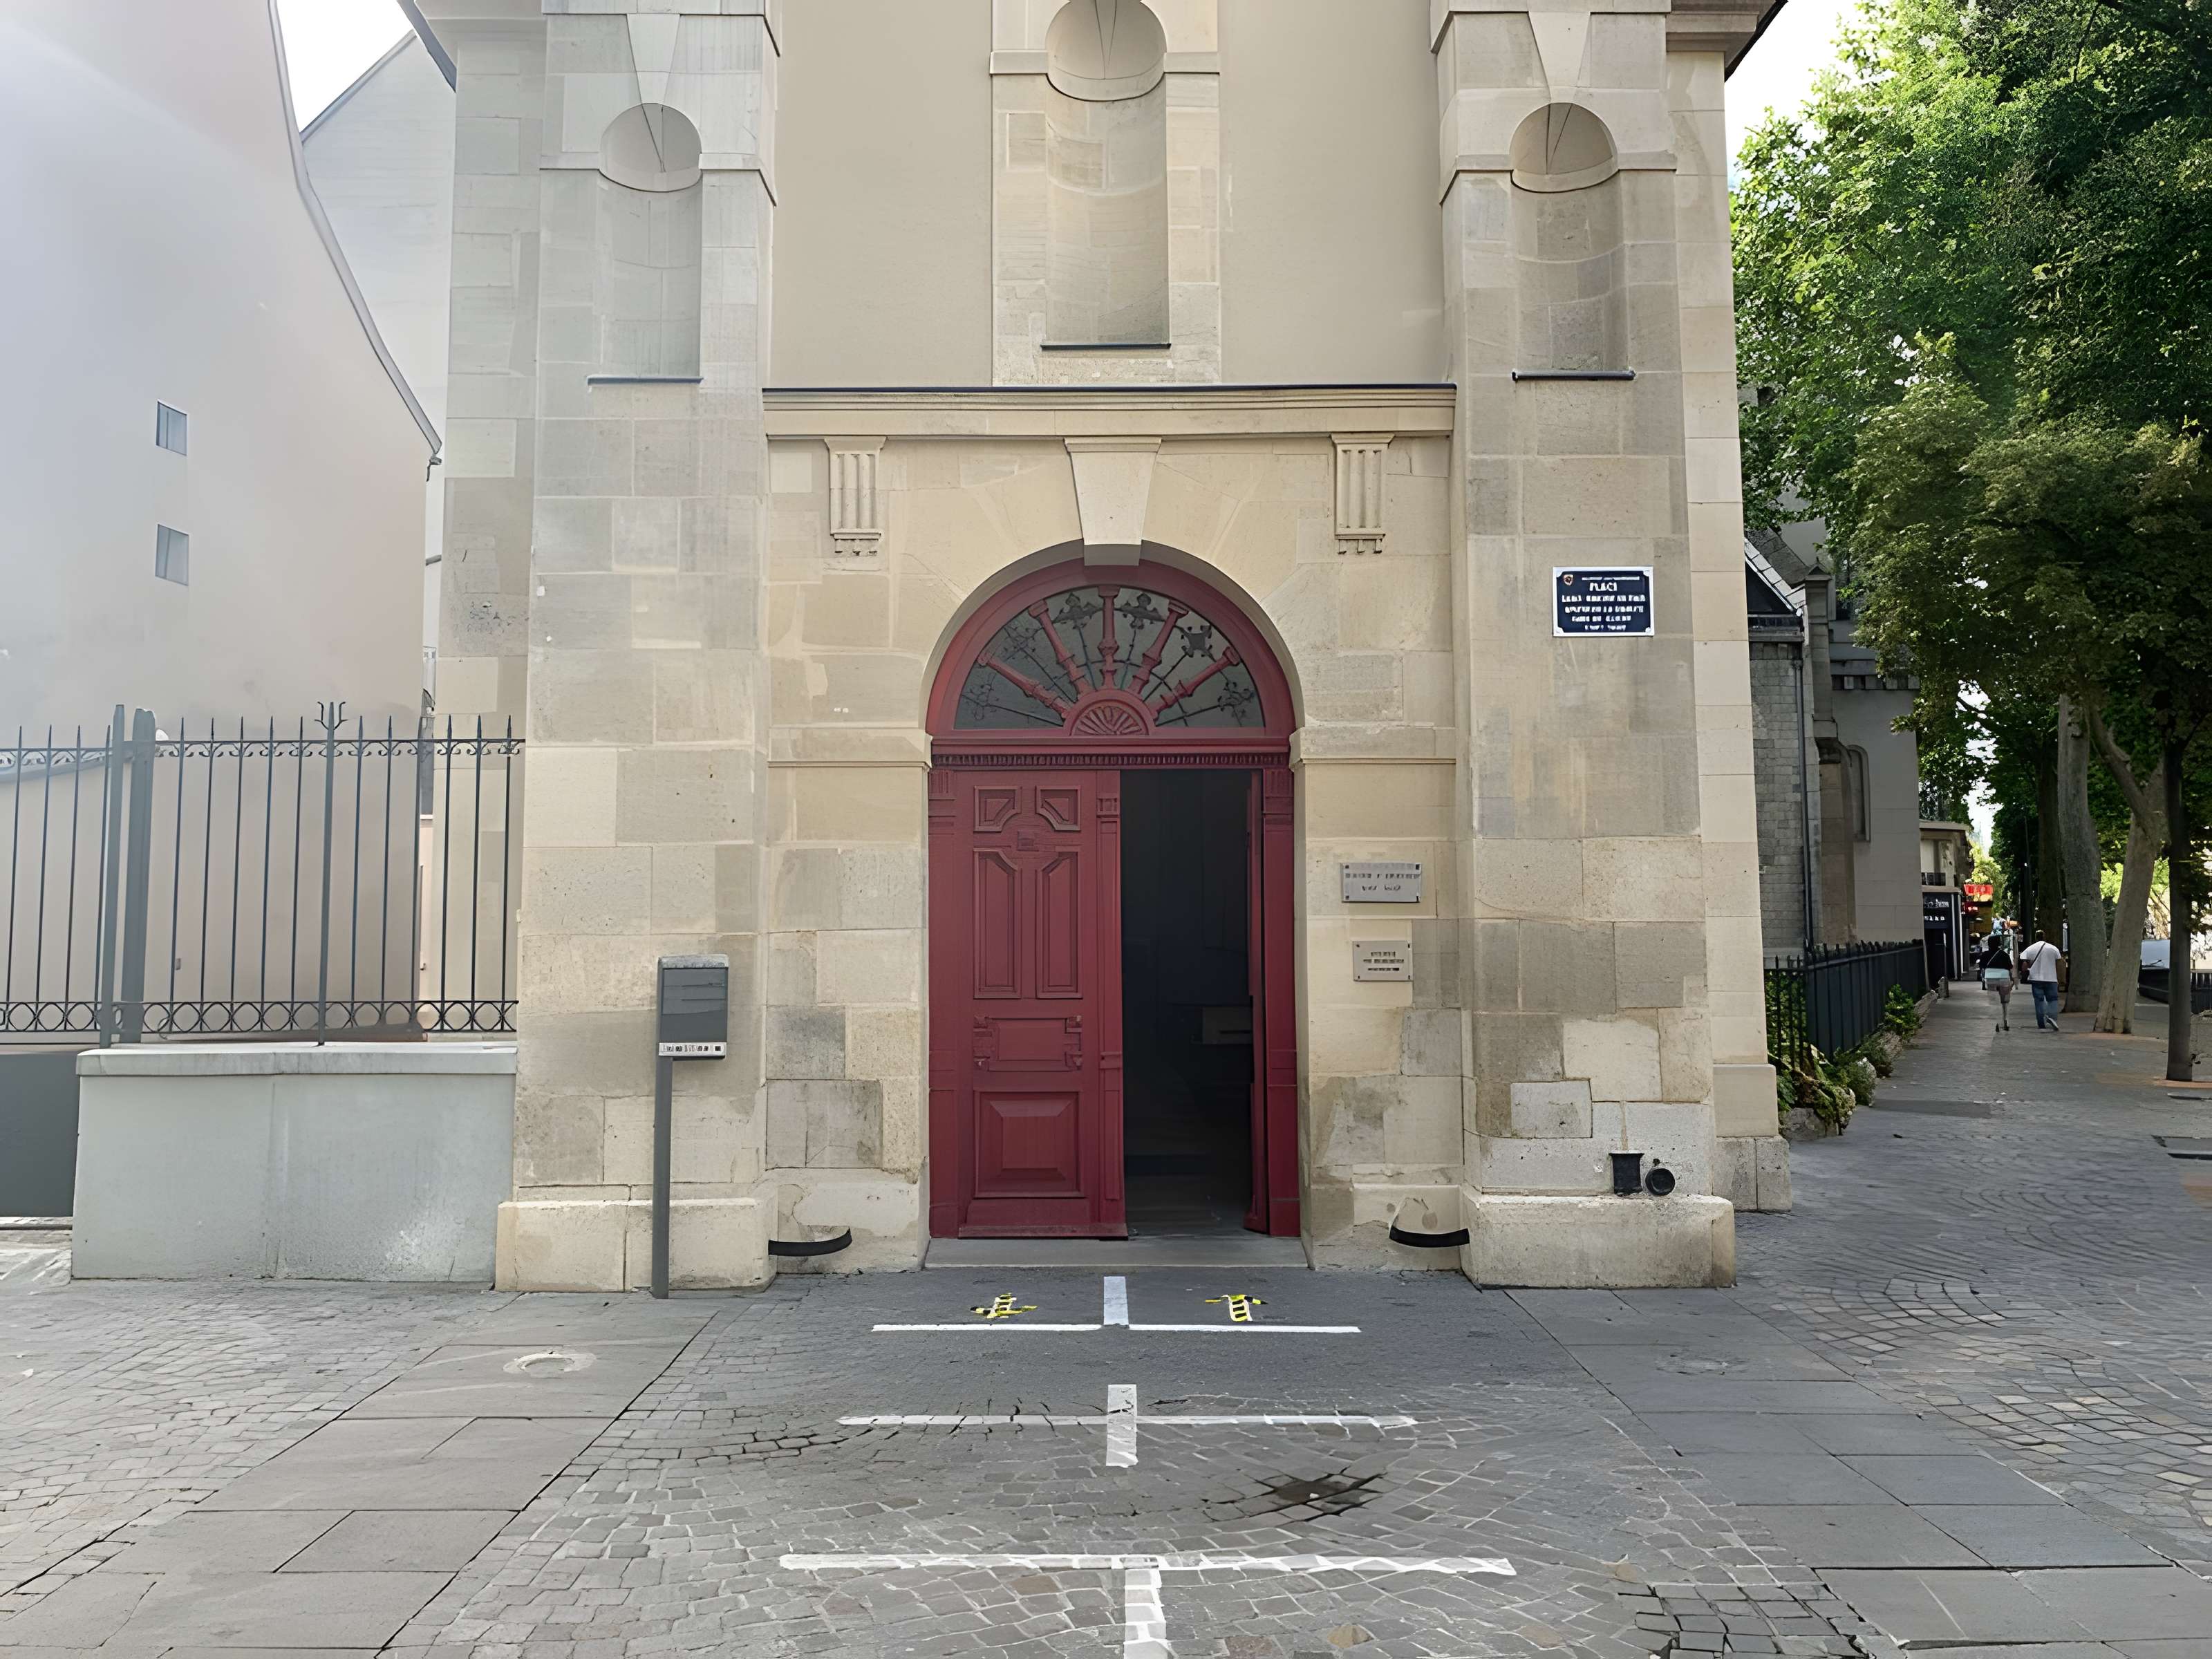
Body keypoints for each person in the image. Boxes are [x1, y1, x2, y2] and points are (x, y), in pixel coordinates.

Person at [2018, 929, 2064, 1031]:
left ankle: (2041, 1023)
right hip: (2051, 978)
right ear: (2045, 937)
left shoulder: (2030, 949)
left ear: (2036, 937)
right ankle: (2052, 1017)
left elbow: (2025, 964)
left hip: (2036, 978)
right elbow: (2059, 963)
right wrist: (2060, 978)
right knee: (2053, 999)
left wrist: (2024, 974)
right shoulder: (2053, 949)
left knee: (2039, 1000)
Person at [1979, 934, 2016, 1031]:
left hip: (1991, 979)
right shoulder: (2004, 954)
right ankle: (2006, 1021)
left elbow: (1982, 967)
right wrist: (2013, 980)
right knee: (2005, 1002)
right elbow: (2010, 967)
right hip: (2004, 978)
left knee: (1995, 1002)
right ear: (1999, 943)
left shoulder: (1985, 955)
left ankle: (1997, 1023)